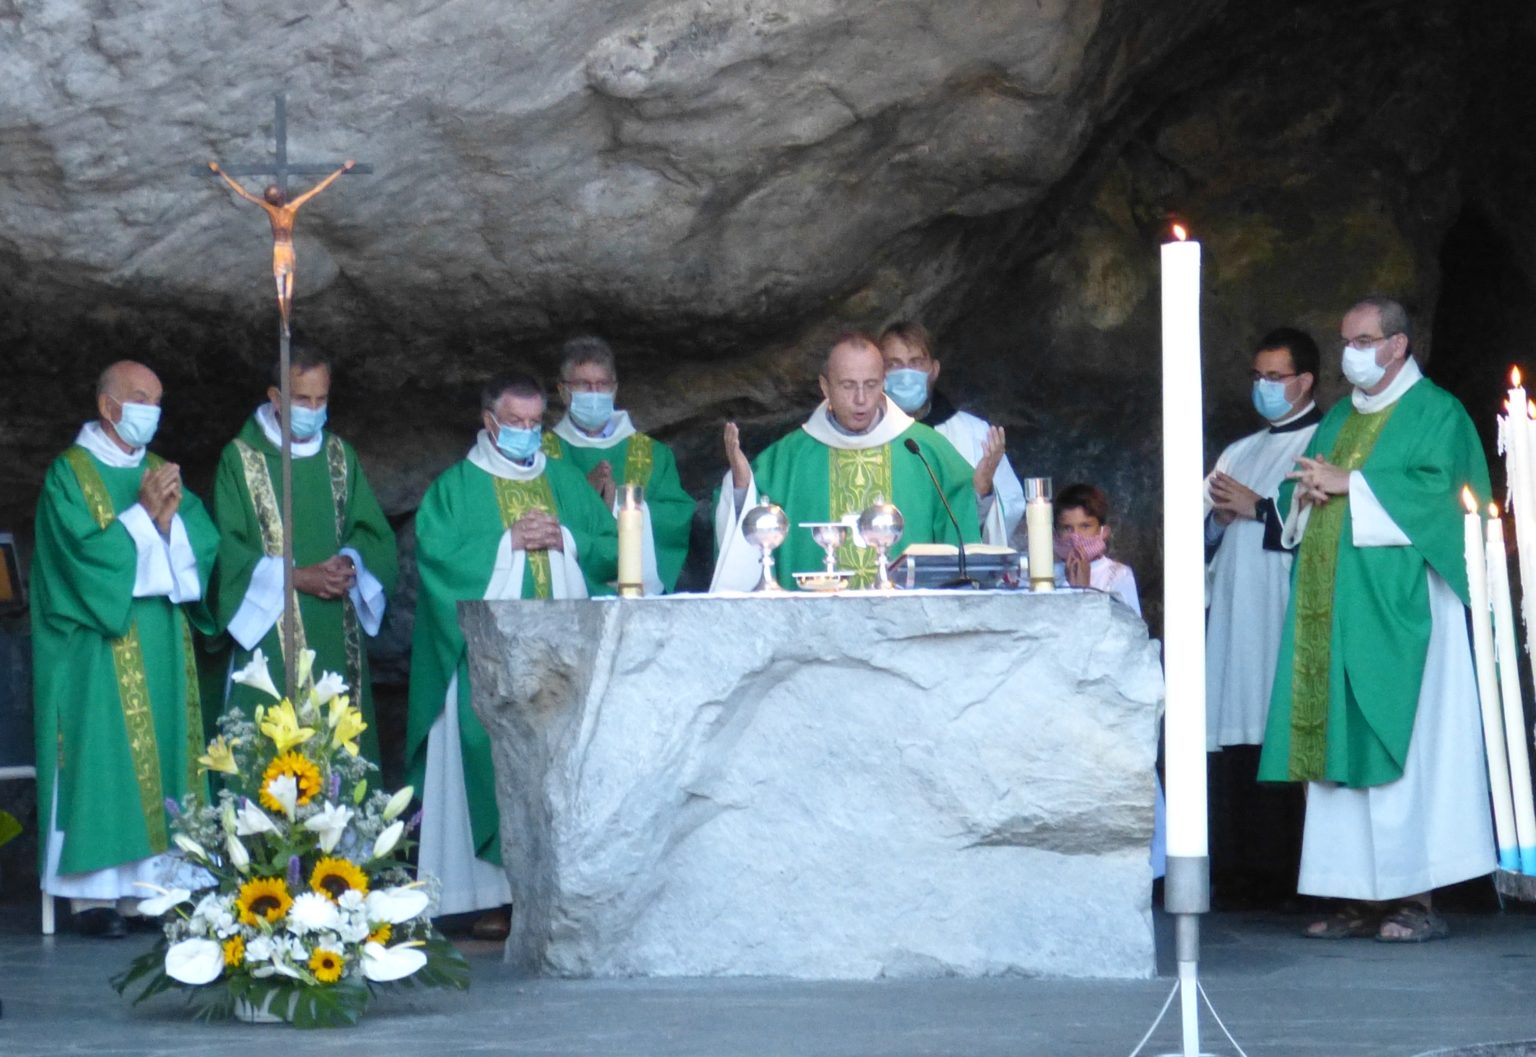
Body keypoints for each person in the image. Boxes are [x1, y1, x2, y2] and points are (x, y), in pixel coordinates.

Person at [1260, 296, 1494, 942]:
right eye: (1345, 340)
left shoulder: (1436, 413)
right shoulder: (1338, 415)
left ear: (1397, 345)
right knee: (1341, 747)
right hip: (1336, 613)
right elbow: (1303, 484)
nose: (1350, 354)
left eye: (1363, 340)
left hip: (1404, 614)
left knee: (1407, 749)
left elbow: (1447, 498)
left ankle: (1413, 896)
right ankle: (1356, 895)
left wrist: (1351, 486)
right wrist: (1303, 493)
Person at [406, 372, 618, 940]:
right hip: (484, 665)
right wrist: (507, 544)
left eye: (534, 423)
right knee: (486, 757)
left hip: (559, 666)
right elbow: (437, 558)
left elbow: (610, 546)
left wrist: (565, 541)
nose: (526, 433)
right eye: (515, 423)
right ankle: (490, 897)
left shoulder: (565, 482)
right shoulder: (455, 487)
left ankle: (556, 889)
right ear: (490, 423)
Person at [31, 361, 219, 938]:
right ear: (109, 407)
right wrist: (142, 518)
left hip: (161, 638)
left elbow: (201, 547)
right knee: (102, 757)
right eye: (140, 399)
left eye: (158, 401)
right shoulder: (69, 475)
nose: (151, 412)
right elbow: (79, 563)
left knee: (165, 755)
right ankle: (92, 899)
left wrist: (167, 528)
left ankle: (151, 893)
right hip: (95, 645)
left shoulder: (163, 471)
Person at [210, 348, 397, 765]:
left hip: (336, 619)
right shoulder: (241, 460)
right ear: (276, 398)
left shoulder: (339, 456)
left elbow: (370, 532)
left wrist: (351, 563)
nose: (313, 410)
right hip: (272, 624)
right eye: (301, 399)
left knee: (339, 747)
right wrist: (295, 577)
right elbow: (225, 549)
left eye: (321, 400)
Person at [711, 332, 980, 590]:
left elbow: (965, 518)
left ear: (883, 382)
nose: (861, 399)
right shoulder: (789, 457)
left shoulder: (924, 449)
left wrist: (984, 492)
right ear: (825, 387)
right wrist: (741, 488)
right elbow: (748, 526)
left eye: (871, 385)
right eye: (848, 385)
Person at [1202, 328, 1322, 906]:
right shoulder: (1237, 451)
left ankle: (1288, 873)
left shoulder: (1327, 442)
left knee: (1280, 726)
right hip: (1232, 612)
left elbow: (1325, 528)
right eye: (1258, 377)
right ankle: (1239, 867)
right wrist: (1220, 522)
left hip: (1283, 610)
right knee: (1234, 733)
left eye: (1276, 378)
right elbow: (1199, 534)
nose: (1264, 388)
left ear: (1305, 382)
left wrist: (1256, 507)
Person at [542, 336, 695, 593]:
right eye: (583, 384)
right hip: (565, 590)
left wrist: (620, 505)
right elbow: (528, 514)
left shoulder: (653, 454)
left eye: (602, 385)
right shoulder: (541, 453)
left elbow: (677, 516)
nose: (594, 393)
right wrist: (585, 497)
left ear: (614, 389)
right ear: (562, 391)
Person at [878, 322, 1025, 546]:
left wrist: (982, 492)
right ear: (879, 374)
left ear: (934, 370)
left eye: (916, 363)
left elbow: (1011, 508)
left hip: (954, 572)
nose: (906, 375)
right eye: (894, 365)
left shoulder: (975, 434)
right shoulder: (865, 436)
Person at [207, 159, 356, 334]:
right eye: (277, 194)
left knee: (286, 292)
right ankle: (285, 323)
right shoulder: (280, 208)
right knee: (282, 291)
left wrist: (342, 170)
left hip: (285, 249)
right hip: (281, 249)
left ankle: (286, 323)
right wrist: (222, 173)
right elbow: (244, 193)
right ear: (277, 198)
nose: (280, 195)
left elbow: (244, 193)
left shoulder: (285, 208)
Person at [1053, 483, 1140, 613]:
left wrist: (1083, 591)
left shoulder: (1119, 575)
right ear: (1055, 534)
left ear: (1103, 532)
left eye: (1085, 526)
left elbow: (1129, 629)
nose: (1075, 537)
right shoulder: (1047, 576)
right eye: (1067, 528)